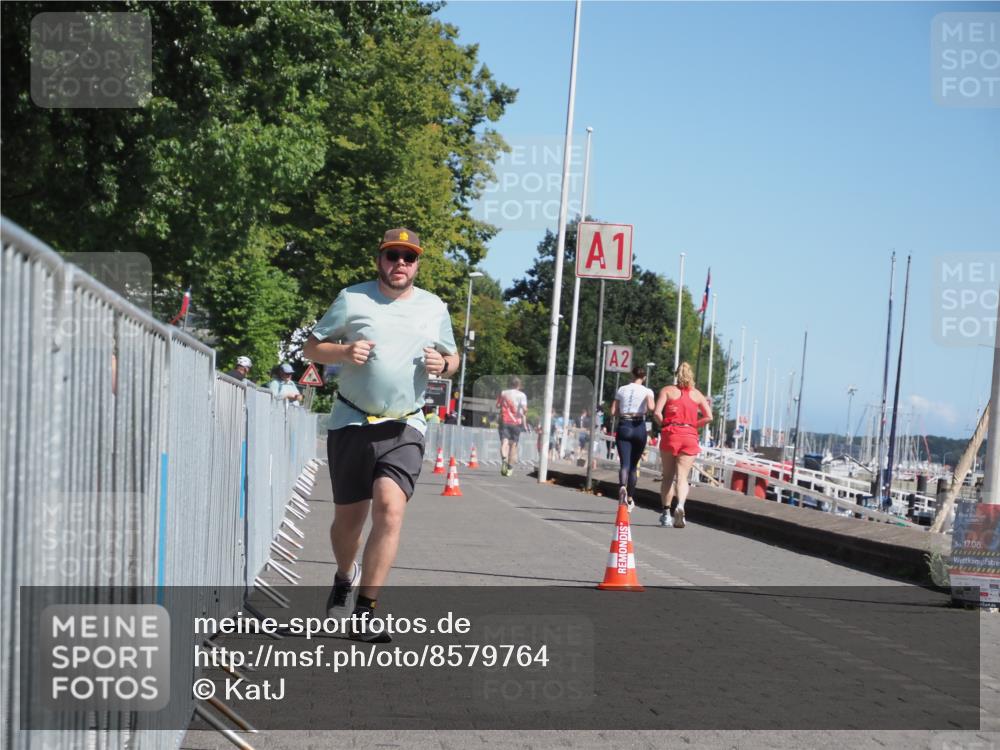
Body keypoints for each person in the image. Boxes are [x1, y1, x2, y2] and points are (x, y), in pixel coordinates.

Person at [303, 227, 459, 642]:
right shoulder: (352, 298)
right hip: (352, 421)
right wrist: (341, 352)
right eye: (393, 256)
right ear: (380, 260)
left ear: (417, 263)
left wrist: (443, 365)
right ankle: (343, 575)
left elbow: (454, 356)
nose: (400, 264)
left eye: (409, 258)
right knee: (347, 524)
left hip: (405, 421)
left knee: (389, 508)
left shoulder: (434, 306)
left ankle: (366, 611)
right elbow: (311, 347)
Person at [653, 362, 713, 528]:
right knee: (683, 477)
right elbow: (709, 416)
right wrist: (694, 424)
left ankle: (666, 513)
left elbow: (657, 412)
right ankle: (680, 505)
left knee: (667, 476)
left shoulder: (667, 390)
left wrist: (664, 425)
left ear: (676, 374)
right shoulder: (697, 395)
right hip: (689, 435)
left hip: (671, 434)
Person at [610, 366, 655, 513]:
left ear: (632, 375)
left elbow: (613, 412)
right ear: (644, 377)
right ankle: (629, 499)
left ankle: (622, 486)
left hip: (624, 425)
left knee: (625, 465)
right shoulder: (647, 391)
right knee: (634, 467)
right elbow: (652, 407)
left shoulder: (622, 389)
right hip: (639, 426)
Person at [496, 376, 527, 477]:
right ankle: (509, 469)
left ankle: (504, 461)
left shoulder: (504, 393)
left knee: (504, 442)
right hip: (516, 422)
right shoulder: (522, 395)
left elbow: (497, 405)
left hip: (504, 421)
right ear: (519, 385)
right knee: (513, 445)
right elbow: (525, 409)